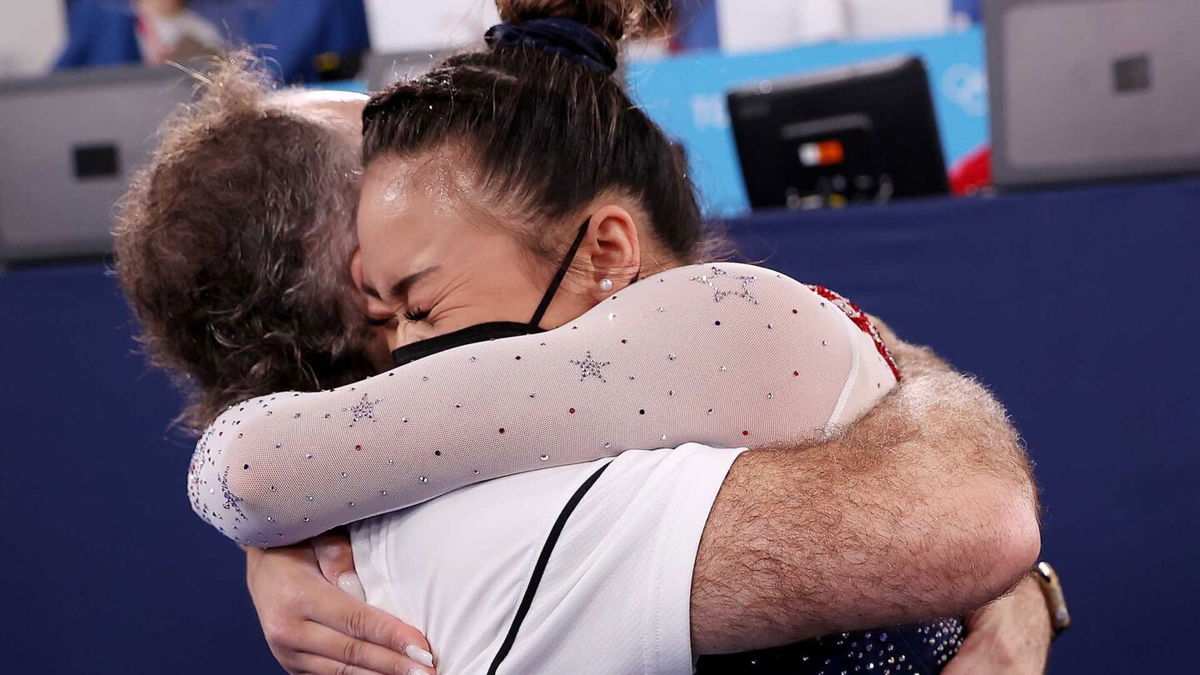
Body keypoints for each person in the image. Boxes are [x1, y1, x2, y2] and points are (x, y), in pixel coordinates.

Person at [116, 50, 1047, 675]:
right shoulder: (509, 520)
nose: (443, 152)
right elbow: (966, 517)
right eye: (395, 175)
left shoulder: (417, 489)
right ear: (371, 287)